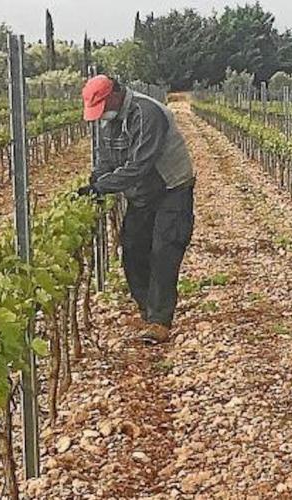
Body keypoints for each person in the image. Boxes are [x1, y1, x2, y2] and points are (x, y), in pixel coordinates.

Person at [78, 75, 195, 343]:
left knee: (164, 250)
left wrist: (103, 187)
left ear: (115, 95)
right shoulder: (110, 123)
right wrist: (96, 180)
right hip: (142, 194)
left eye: (102, 107)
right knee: (132, 248)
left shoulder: (147, 113)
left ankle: (159, 320)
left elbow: (140, 165)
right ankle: (147, 308)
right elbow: (106, 159)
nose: (101, 115)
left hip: (171, 189)